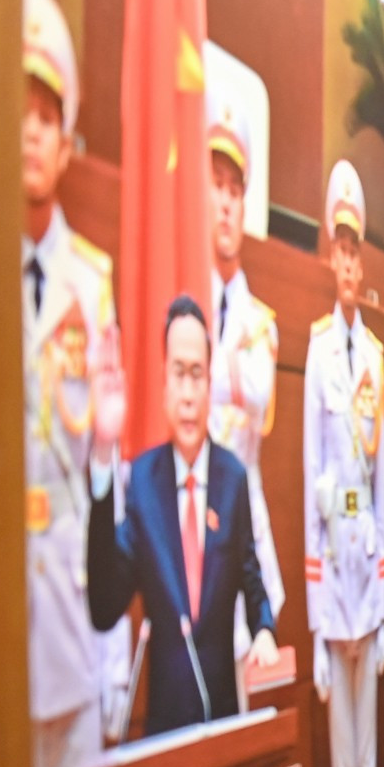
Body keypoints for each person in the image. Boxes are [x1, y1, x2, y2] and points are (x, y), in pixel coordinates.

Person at [23, 0, 127, 767]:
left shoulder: (90, 288)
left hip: (75, 616)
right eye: (18, 110)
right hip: (14, 636)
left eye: (46, 111)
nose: (31, 134)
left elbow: (103, 470)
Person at [88, 295, 280, 734]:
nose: (190, 394)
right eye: (179, 374)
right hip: (165, 733)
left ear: (209, 382)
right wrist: (101, 453)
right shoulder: (142, 481)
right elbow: (103, 606)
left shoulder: (233, 477)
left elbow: (252, 581)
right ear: (164, 383)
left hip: (223, 721)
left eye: (198, 375)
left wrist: (264, 629)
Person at [304, 159, 384, 767]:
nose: (349, 265)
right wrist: (315, 616)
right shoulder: (319, 354)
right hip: (335, 587)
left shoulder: (375, 360)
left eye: (358, 252)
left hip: (371, 580)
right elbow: (310, 482)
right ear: (329, 257)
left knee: (369, 761)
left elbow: (383, 482)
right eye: (340, 249)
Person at [204, 82, 285, 697]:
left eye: (236, 191)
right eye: (216, 187)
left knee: (247, 713)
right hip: (189, 535)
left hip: (245, 535)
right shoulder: (182, 311)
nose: (226, 204)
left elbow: (253, 407)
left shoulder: (260, 322)